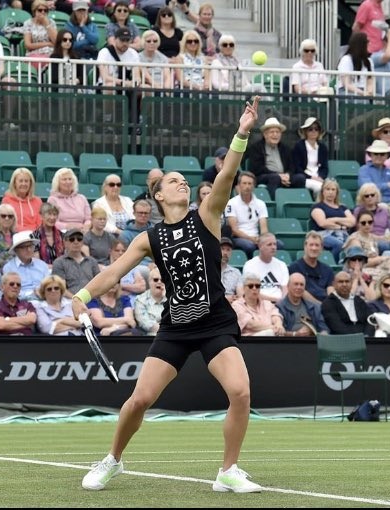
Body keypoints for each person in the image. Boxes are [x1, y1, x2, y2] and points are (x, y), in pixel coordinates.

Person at [75, 97, 263, 493]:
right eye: (173, 181)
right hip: (175, 327)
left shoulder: (208, 214)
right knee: (139, 400)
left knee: (241, 392)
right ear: (158, 196)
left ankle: (228, 471)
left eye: (183, 180)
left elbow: (228, 172)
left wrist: (242, 131)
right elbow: (114, 271)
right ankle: (112, 460)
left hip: (214, 322)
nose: (182, 183)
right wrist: (84, 295)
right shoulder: (149, 237)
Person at [245, 117, 304, 198]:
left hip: (283, 176)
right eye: (272, 132)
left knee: (300, 178)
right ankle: (274, 204)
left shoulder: (285, 149)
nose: (275, 135)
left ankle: (297, 203)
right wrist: (278, 175)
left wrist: (288, 175)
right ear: (265, 134)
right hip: (264, 176)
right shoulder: (257, 148)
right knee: (275, 178)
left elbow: (292, 167)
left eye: (277, 132)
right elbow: (257, 168)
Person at [224, 171, 273, 258]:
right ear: (239, 185)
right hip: (239, 237)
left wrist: (263, 239)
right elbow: (234, 229)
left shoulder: (260, 204)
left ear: (254, 186)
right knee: (249, 246)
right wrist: (251, 239)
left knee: (277, 245)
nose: (247, 187)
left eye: (250, 184)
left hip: (257, 237)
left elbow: (264, 228)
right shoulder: (231, 203)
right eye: (244, 183)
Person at [308, 178, 355, 262]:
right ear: (323, 191)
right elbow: (322, 223)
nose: (330, 192)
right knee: (338, 244)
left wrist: (334, 219)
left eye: (333, 189)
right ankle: (334, 264)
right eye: (328, 189)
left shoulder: (342, 207)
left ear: (337, 192)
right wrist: (341, 226)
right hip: (322, 235)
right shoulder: (317, 207)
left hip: (342, 234)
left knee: (355, 244)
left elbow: (352, 222)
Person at [288, 231, 335, 303]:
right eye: (311, 245)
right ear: (305, 246)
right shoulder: (294, 268)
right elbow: (301, 292)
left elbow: (331, 292)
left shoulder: (328, 270)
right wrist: (320, 306)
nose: (314, 248)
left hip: (326, 308)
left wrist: (329, 306)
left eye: (317, 245)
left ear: (321, 248)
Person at [3, 231, 51, 300]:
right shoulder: (9, 268)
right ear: (16, 250)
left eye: (30, 246)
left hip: (44, 300)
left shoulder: (42, 265)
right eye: (24, 247)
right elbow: (11, 291)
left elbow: (49, 285)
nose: (28, 250)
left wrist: (43, 292)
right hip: (21, 304)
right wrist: (31, 294)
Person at [52, 228, 101, 296]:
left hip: (93, 299)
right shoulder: (59, 263)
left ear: (82, 242)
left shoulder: (92, 261)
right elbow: (61, 288)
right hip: (70, 301)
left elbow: (99, 283)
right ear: (65, 242)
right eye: (72, 239)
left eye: (79, 239)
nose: (76, 242)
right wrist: (76, 299)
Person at [243, 233, 289, 302]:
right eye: (269, 244)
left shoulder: (282, 265)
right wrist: (276, 300)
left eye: (274, 244)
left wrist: (283, 302)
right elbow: (250, 291)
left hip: (280, 305)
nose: (273, 247)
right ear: (260, 246)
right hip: (258, 302)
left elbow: (285, 288)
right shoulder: (250, 265)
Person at [291, 117, 328, 197]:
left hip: (319, 178)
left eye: (316, 129)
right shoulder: (299, 146)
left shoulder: (322, 147)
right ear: (305, 131)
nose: (314, 131)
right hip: (305, 178)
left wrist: (320, 177)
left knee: (331, 187)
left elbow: (325, 168)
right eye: (310, 129)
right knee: (319, 188)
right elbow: (297, 168)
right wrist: (311, 177)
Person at [92, 174, 134, 239]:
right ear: (105, 187)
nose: (115, 187)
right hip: (109, 237)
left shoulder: (128, 201)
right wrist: (119, 231)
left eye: (118, 185)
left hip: (130, 235)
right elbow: (100, 222)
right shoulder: (98, 203)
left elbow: (134, 218)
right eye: (112, 185)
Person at [2, 167, 43, 232]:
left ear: (30, 183)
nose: (23, 184)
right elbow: (7, 223)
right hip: (15, 234)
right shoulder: (7, 200)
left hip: (35, 235)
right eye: (20, 181)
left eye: (26, 181)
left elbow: (40, 224)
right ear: (14, 183)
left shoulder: (38, 201)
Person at [336, 32, 374, 100]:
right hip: (347, 91)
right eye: (367, 42)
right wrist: (362, 93)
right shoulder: (346, 59)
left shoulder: (369, 61)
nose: (370, 44)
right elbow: (346, 84)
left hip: (363, 90)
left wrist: (369, 92)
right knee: (361, 102)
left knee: (380, 100)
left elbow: (370, 81)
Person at [24, 0, 57, 67]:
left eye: (45, 10)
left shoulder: (51, 23)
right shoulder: (28, 23)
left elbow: (56, 41)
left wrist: (47, 24)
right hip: (34, 54)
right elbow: (28, 45)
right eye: (40, 10)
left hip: (50, 53)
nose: (43, 12)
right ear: (34, 11)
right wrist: (48, 44)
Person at [133, 267, 167, 335]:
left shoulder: (171, 299)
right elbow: (146, 324)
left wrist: (168, 300)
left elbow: (178, 319)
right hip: (150, 338)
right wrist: (169, 329)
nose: (159, 282)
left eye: (162, 280)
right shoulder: (140, 300)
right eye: (155, 280)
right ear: (149, 282)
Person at [219, 237, 242, 302]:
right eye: (222, 249)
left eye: (228, 250)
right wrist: (225, 299)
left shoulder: (236, 272)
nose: (225, 253)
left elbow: (240, 295)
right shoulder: (209, 270)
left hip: (232, 305)